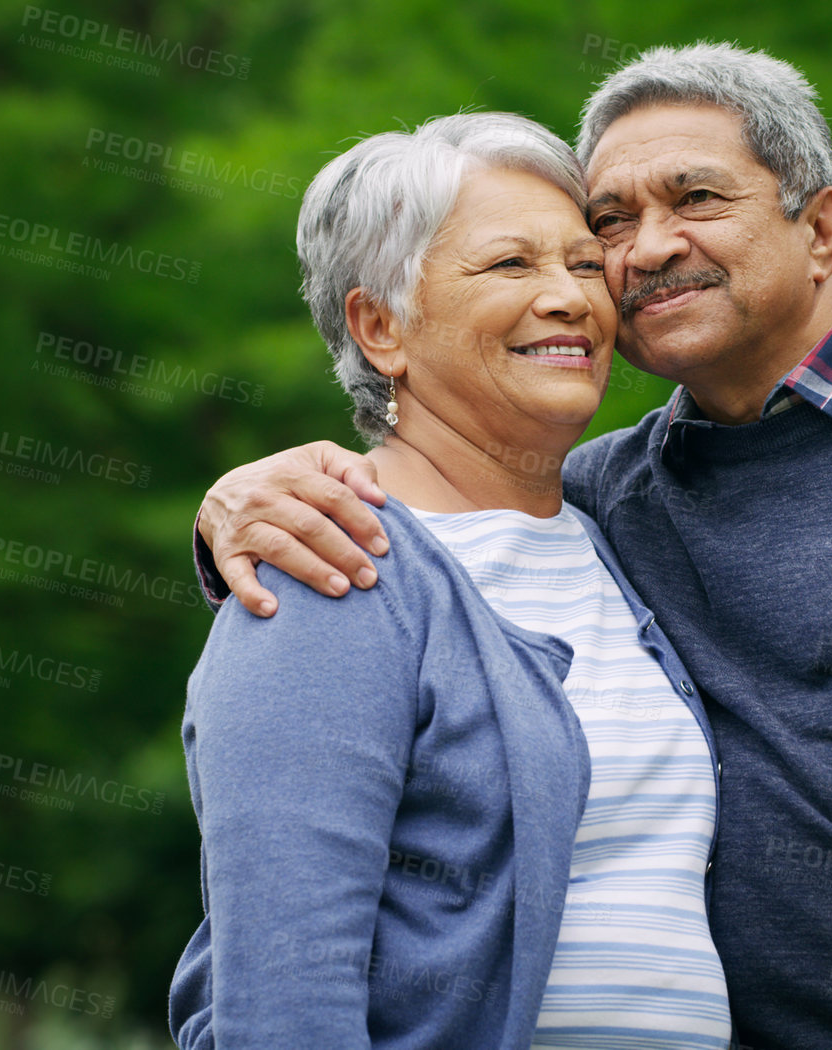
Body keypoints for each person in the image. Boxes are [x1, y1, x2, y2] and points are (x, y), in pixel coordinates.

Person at [193, 43, 832, 1050]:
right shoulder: (614, 496)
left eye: (696, 199)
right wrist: (236, 514)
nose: (644, 249)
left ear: (822, 228)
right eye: (612, 220)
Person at [169, 112, 732, 1050]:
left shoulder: (619, 534)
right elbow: (287, 1006)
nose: (570, 299)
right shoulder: (334, 573)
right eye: (511, 266)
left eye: (585, 265)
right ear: (380, 326)